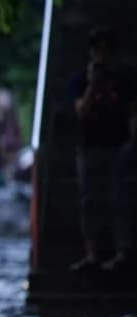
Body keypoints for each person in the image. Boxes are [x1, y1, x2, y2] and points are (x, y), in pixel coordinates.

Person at [69, 26, 135, 271]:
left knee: (121, 200)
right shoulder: (80, 79)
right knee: (89, 201)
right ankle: (92, 253)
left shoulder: (125, 79)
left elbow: (131, 111)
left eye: (107, 49)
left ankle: (122, 251)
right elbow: (80, 111)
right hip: (89, 146)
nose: (102, 54)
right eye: (98, 49)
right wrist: (92, 85)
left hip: (118, 145)